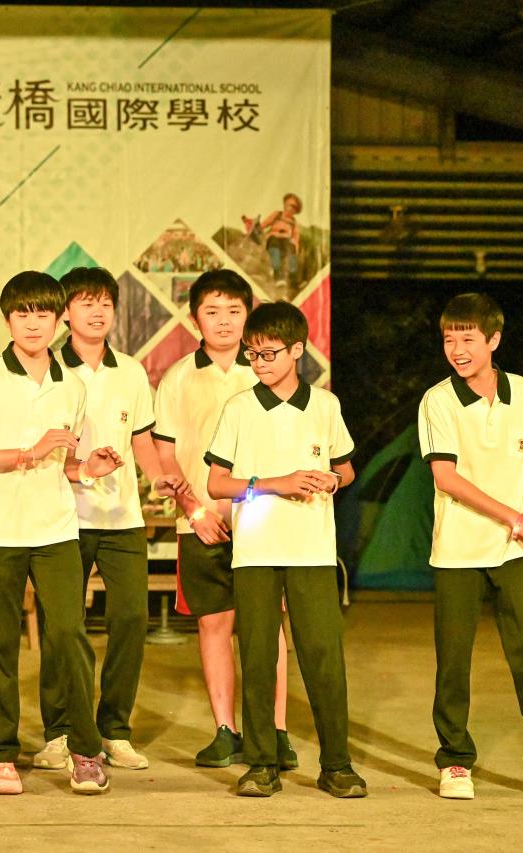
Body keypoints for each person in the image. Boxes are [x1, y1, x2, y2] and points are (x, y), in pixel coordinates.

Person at [0, 271, 123, 796]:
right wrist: (29, 451)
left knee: (68, 635)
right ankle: (0, 755)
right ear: (7, 320)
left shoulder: (72, 385)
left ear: (58, 319)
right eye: (22, 314)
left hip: (56, 530)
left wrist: (88, 467)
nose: (32, 324)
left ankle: (85, 750)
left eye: (43, 314)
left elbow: (61, 464)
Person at [205, 300, 366, 799]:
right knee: (257, 657)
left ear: (298, 350)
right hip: (255, 551)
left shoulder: (325, 406)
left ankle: (337, 765)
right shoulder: (238, 408)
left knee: (323, 657)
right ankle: (261, 764)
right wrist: (276, 483)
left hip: (312, 551)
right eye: (252, 354)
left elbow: (347, 469)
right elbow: (217, 483)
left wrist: (331, 481)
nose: (259, 363)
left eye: (269, 353)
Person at [417, 292, 523, 802]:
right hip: (459, 548)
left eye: (467, 339)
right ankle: (455, 759)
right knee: (453, 658)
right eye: (449, 340)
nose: (457, 350)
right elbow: (446, 477)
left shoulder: (521, 391)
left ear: (494, 340)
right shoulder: (438, 400)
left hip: (515, 547)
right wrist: (516, 518)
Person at [33, 266, 183, 773]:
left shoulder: (131, 372)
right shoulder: (49, 368)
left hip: (122, 517)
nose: (97, 312)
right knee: (63, 628)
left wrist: (159, 478)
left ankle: (114, 728)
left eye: (105, 303)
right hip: (62, 517)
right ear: (65, 313)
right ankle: (60, 731)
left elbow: (142, 438)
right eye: (85, 302)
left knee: (131, 620)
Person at [153, 270, 295, 771]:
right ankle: (225, 731)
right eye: (212, 312)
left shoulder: (267, 372)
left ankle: (275, 731)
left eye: (234, 311)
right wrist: (193, 510)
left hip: (263, 522)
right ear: (195, 319)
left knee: (268, 627)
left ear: (248, 316)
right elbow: (165, 455)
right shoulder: (177, 378)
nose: (224, 321)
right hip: (200, 523)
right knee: (214, 623)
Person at [261, 193, 302, 287]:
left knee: (291, 249)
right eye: (290, 205)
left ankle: (293, 280)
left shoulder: (294, 222)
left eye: (294, 207)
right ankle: (278, 276)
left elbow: (296, 236)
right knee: (275, 246)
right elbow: (265, 223)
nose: (291, 209)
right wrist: (257, 229)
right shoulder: (277, 214)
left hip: (286, 240)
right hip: (273, 237)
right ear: (285, 204)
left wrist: (295, 247)